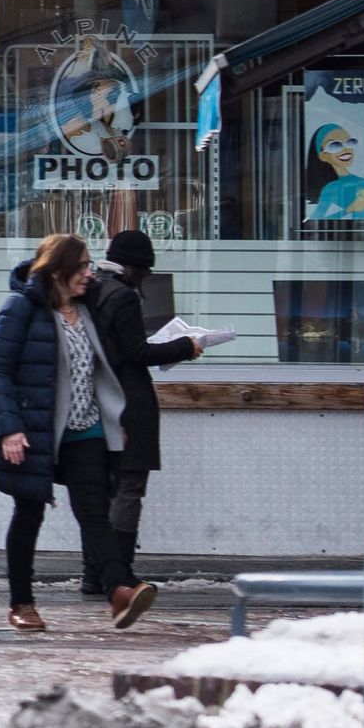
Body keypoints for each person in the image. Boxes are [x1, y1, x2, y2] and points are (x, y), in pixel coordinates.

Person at [0, 231, 144, 630]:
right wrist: (9, 427)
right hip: (34, 427)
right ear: (57, 271)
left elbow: (98, 371)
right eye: (82, 266)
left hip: (84, 427)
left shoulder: (87, 309)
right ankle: (21, 602)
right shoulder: (21, 308)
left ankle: (119, 592)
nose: (89, 274)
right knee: (29, 512)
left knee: (94, 512)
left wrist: (112, 420)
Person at [87, 226, 206, 624]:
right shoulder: (121, 296)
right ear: (135, 267)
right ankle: (120, 575)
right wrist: (185, 347)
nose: (145, 279)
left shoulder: (94, 290)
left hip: (101, 398)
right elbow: (136, 352)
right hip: (129, 402)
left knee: (105, 488)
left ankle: (97, 573)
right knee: (129, 489)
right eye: (145, 271)